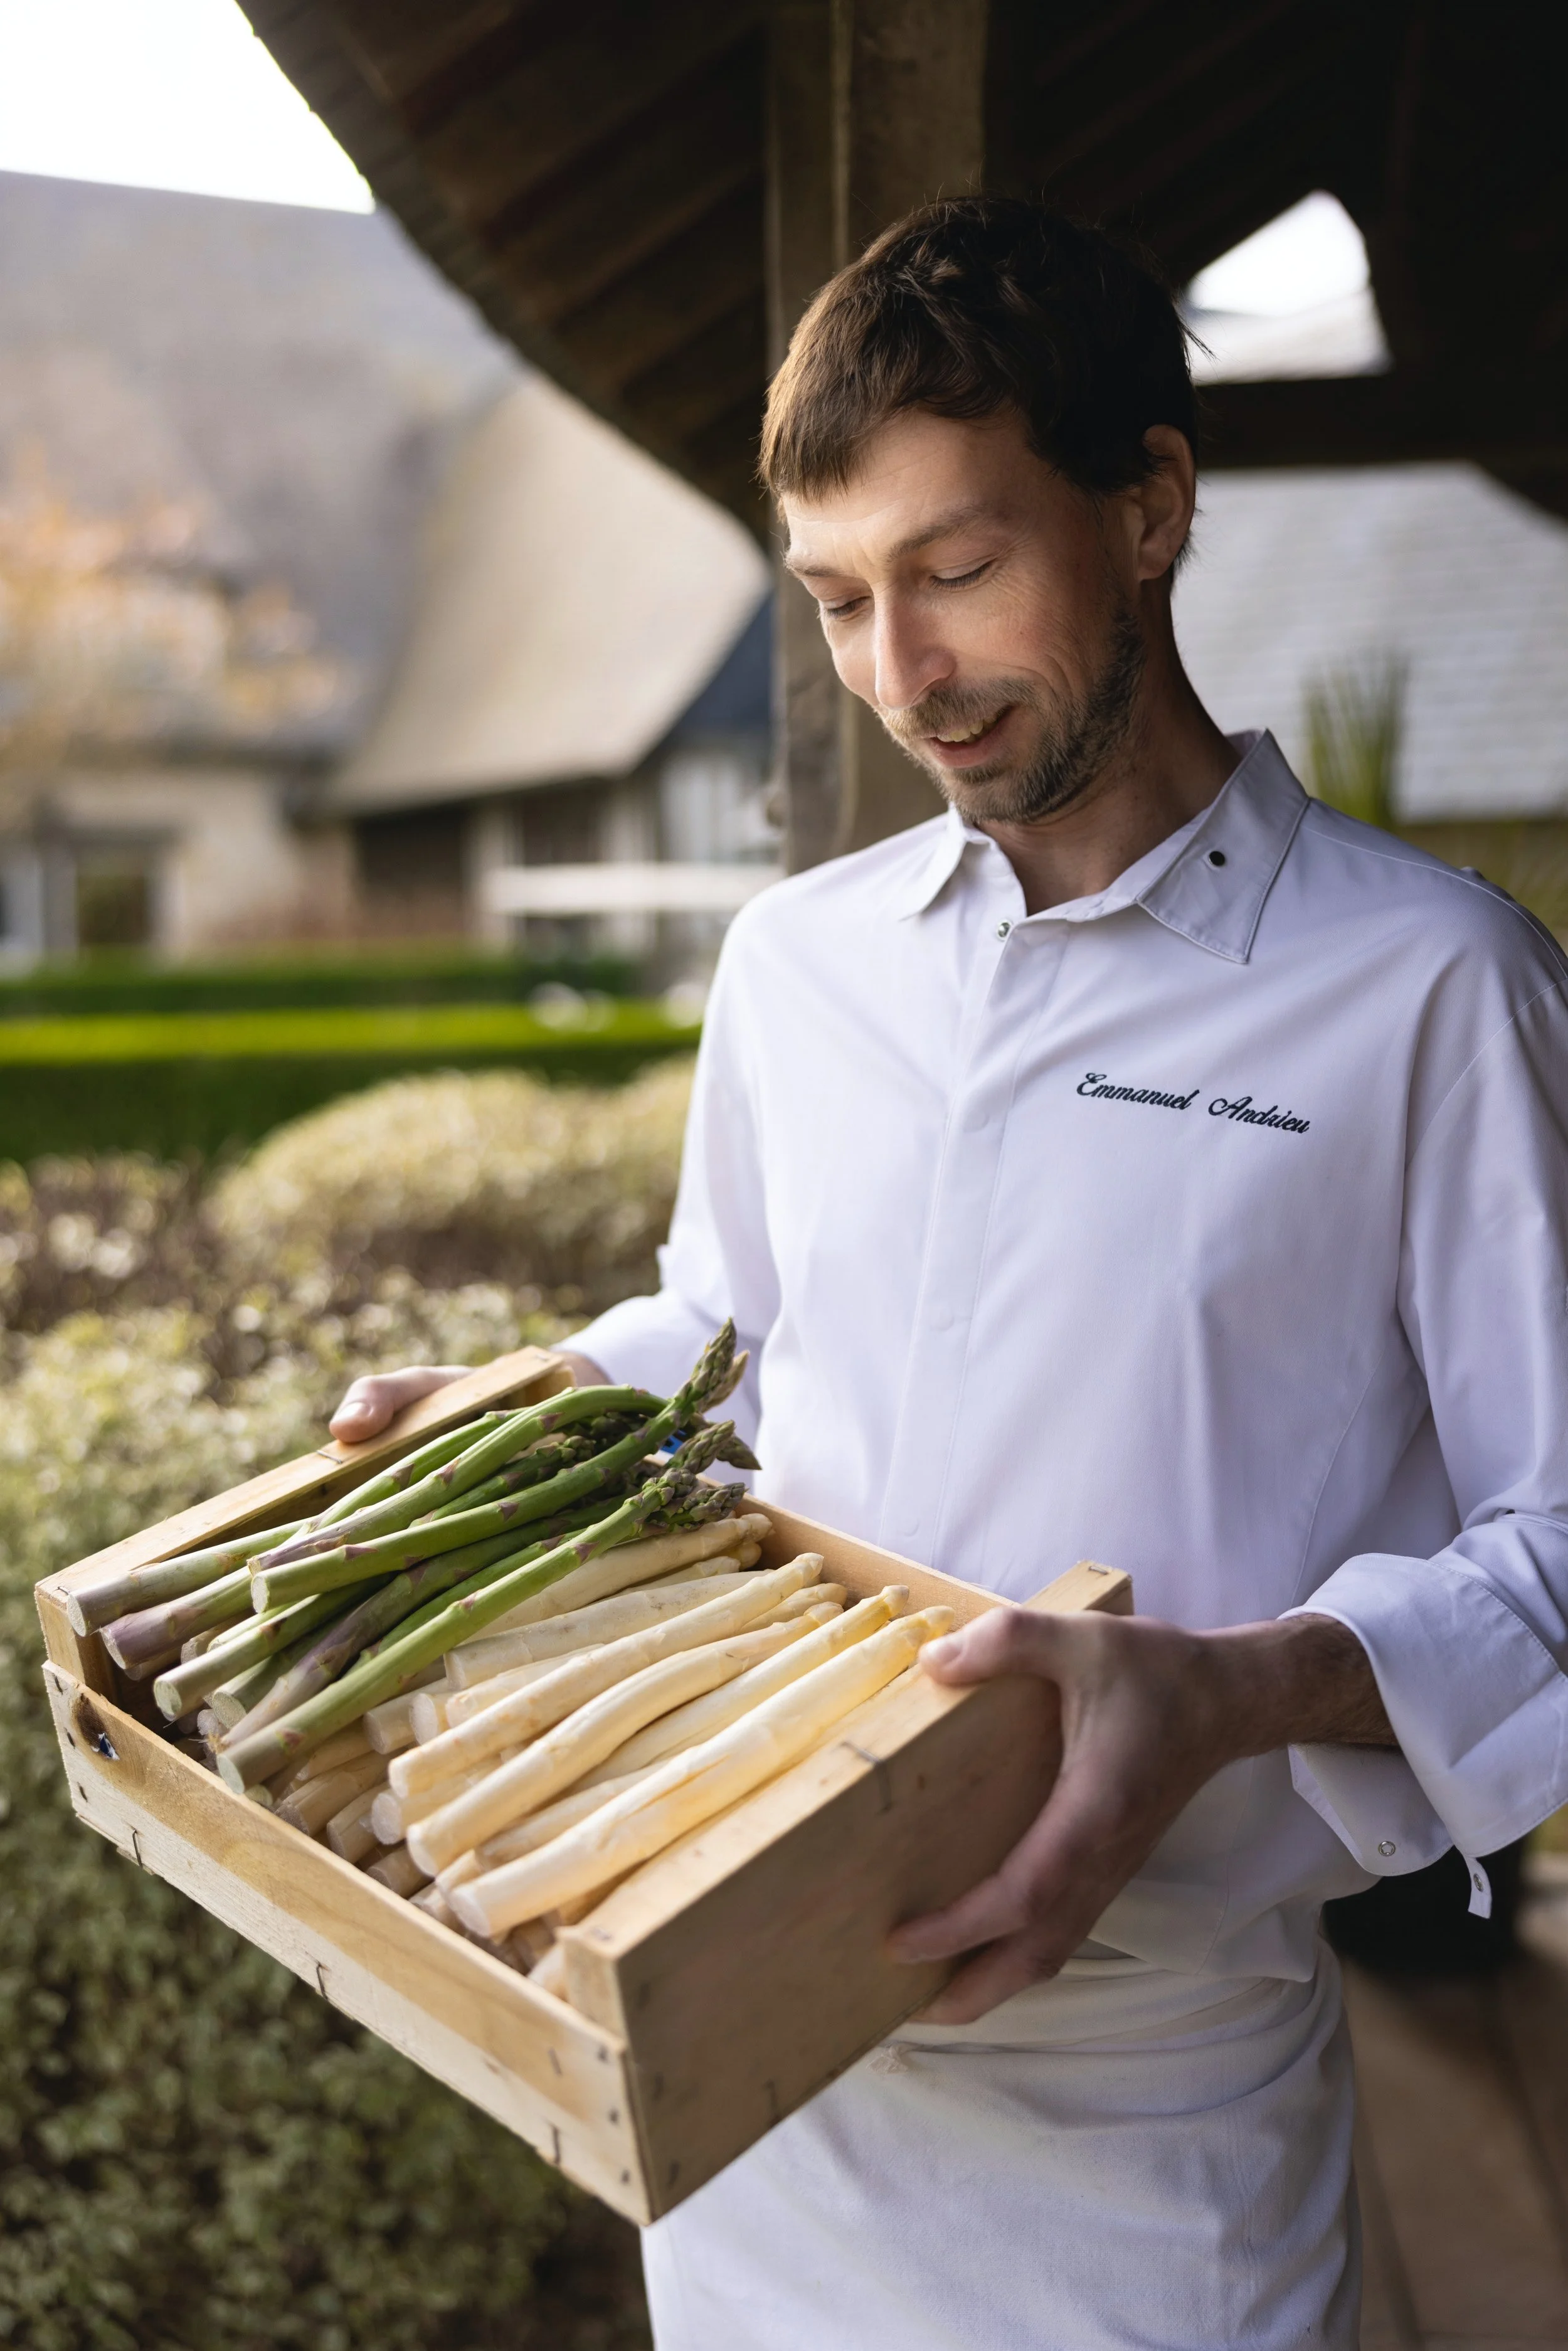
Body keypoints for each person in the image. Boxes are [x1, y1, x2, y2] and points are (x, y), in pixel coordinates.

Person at [332, 201, 1568, 2349]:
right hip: (734, 2045)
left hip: (1148, 2125)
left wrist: (1239, 1686)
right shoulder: (794, 968)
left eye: (956, 569)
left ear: (1151, 503)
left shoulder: (1432, 987)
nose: (901, 676)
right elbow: (727, 1340)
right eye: (834, 599)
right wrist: (545, 1405)